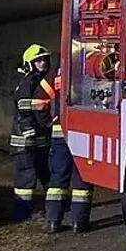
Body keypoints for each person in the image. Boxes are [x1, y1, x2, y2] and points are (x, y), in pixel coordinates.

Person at [46, 66, 93, 234]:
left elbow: (41, 96)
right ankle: (79, 223)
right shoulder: (88, 70)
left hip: (60, 132)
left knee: (58, 178)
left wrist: (49, 119)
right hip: (82, 129)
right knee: (82, 177)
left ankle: (53, 221)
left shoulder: (57, 72)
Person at [10, 44, 54, 222]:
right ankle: (22, 214)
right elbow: (24, 109)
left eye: (44, 60)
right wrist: (29, 130)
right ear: (30, 63)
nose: (42, 63)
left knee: (47, 174)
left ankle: (55, 208)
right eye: (38, 61)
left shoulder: (42, 82)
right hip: (25, 143)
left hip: (40, 141)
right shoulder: (28, 83)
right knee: (26, 180)